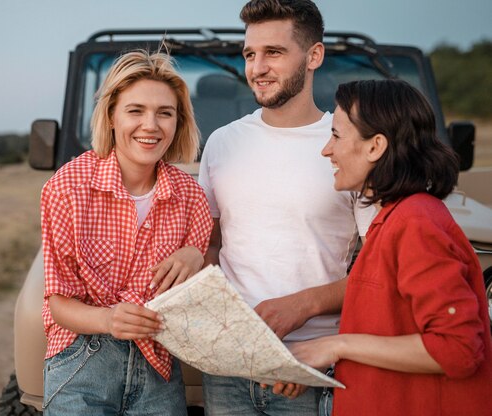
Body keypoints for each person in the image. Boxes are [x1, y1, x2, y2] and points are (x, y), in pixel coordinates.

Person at [198, 0, 376, 414]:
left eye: (273, 53)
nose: (257, 67)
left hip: (312, 366)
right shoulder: (222, 143)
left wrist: (305, 304)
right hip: (230, 365)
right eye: (249, 54)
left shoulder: (347, 147)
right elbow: (210, 248)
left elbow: (378, 273)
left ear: (314, 56)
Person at [287, 79, 492, 415]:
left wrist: (336, 345)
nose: (327, 149)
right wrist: (321, 355)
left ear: (375, 146)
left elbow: (457, 350)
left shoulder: (416, 223)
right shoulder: (393, 219)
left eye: (337, 135)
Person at [40, 49, 213, 416]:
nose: (150, 125)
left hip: (158, 365)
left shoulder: (191, 198)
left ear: (178, 123)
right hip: (82, 360)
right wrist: (108, 319)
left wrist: (198, 255)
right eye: (136, 111)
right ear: (111, 117)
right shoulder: (67, 187)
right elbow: (58, 304)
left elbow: (199, 291)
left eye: (164, 113)